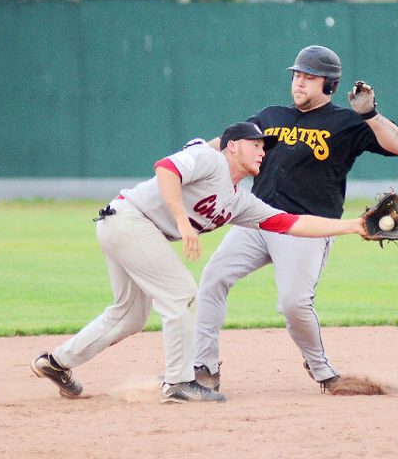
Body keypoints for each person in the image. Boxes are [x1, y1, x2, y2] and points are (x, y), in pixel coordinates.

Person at [30, 122, 369, 404]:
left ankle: (57, 362)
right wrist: (181, 219)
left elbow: (292, 223)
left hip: (127, 227)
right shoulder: (210, 159)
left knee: (130, 315)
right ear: (233, 146)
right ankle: (178, 383)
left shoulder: (239, 200)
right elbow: (166, 168)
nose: (264, 152)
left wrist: (354, 226)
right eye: (257, 145)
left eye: (265, 147)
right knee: (181, 294)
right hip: (129, 219)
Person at [194, 45, 398, 393]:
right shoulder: (271, 115)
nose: (300, 83)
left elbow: (397, 146)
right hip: (257, 218)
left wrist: (370, 114)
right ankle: (204, 367)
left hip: (306, 226)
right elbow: (226, 144)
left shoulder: (347, 123)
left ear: (330, 85)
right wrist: (186, 163)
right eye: (297, 76)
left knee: (293, 302)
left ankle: (323, 372)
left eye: (309, 78)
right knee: (213, 278)